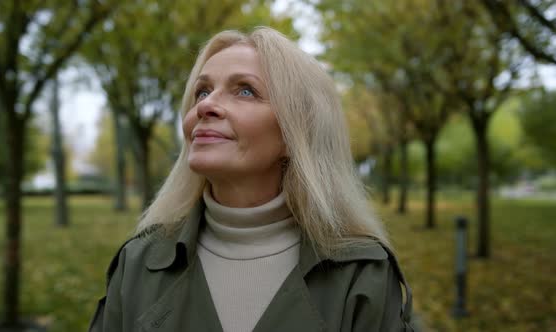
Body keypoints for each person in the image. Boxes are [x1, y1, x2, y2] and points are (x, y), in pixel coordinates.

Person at [89, 27, 415, 332]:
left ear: (295, 133)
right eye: (202, 91)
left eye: (245, 90)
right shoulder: (137, 264)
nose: (207, 106)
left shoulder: (362, 273)